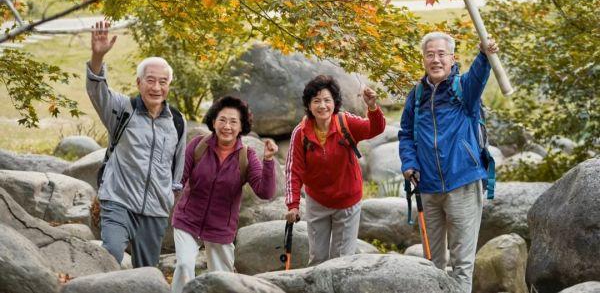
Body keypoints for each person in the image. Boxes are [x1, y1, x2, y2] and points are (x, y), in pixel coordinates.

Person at [398, 31, 499, 293]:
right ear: (423, 59)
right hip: (428, 188)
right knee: (432, 262)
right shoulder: (417, 95)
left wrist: (484, 54)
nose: (436, 59)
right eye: (430, 54)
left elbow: (478, 76)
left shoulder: (464, 90)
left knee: (462, 264)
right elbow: (406, 134)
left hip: (462, 183)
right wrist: (409, 163)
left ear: (452, 58)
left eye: (441, 54)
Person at [86, 20, 186, 268]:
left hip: (155, 209)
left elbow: (178, 168)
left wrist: (170, 197)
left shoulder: (177, 120)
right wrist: (97, 57)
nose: (156, 87)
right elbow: (97, 90)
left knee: (147, 272)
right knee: (111, 254)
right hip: (118, 200)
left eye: (163, 82)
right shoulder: (122, 109)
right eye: (150, 80)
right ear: (138, 83)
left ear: (169, 85)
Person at [171, 95, 277, 293]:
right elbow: (178, 179)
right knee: (184, 265)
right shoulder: (198, 145)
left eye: (233, 121)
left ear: (241, 126)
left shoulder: (247, 155)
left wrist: (269, 161)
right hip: (188, 220)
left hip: (221, 228)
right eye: (222, 120)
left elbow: (265, 192)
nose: (227, 126)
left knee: (224, 281)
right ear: (213, 121)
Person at [284, 75, 386, 266]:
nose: (322, 106)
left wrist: (372, 107)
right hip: (317, 201)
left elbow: (375, 128)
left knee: (341, 261)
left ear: (334, 102)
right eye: (316, 101)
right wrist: (293, 205)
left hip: (347, 201)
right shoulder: (301, 132)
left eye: (327, 100)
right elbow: (293, 170)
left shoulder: (345, 123)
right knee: (317, 259)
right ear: (309, 105)